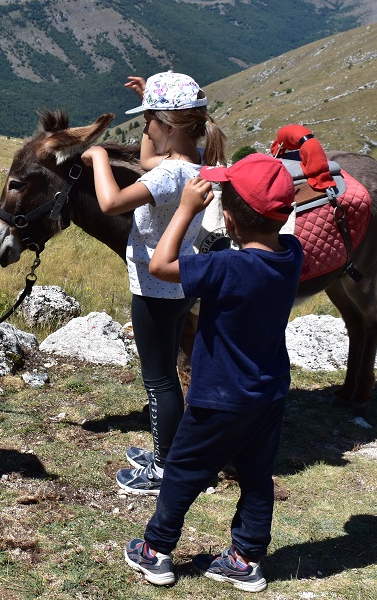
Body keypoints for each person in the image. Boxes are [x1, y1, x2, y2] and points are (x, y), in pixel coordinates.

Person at [123, 153, 304, 592]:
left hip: (218, 397)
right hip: (269, 393)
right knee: (256, 476)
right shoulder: (292, 256)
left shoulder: (227, 266)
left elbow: (161, 266)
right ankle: (245, 559)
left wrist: (185, 208)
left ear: (227, 217)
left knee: (183, 471)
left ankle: (156, 551)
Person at [80, 70, 227, 496]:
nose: (144, 129)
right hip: (182, 283)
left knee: (159, 377)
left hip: (153, 287)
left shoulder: (167, 177)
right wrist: (151, 100)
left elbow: (109, 203)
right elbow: (147, 161)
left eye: (148, 122)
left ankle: (165, 467)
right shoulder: (194, 164)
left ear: (166, 125)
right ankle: (169, 451)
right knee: (163, 371)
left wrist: (101, 158)